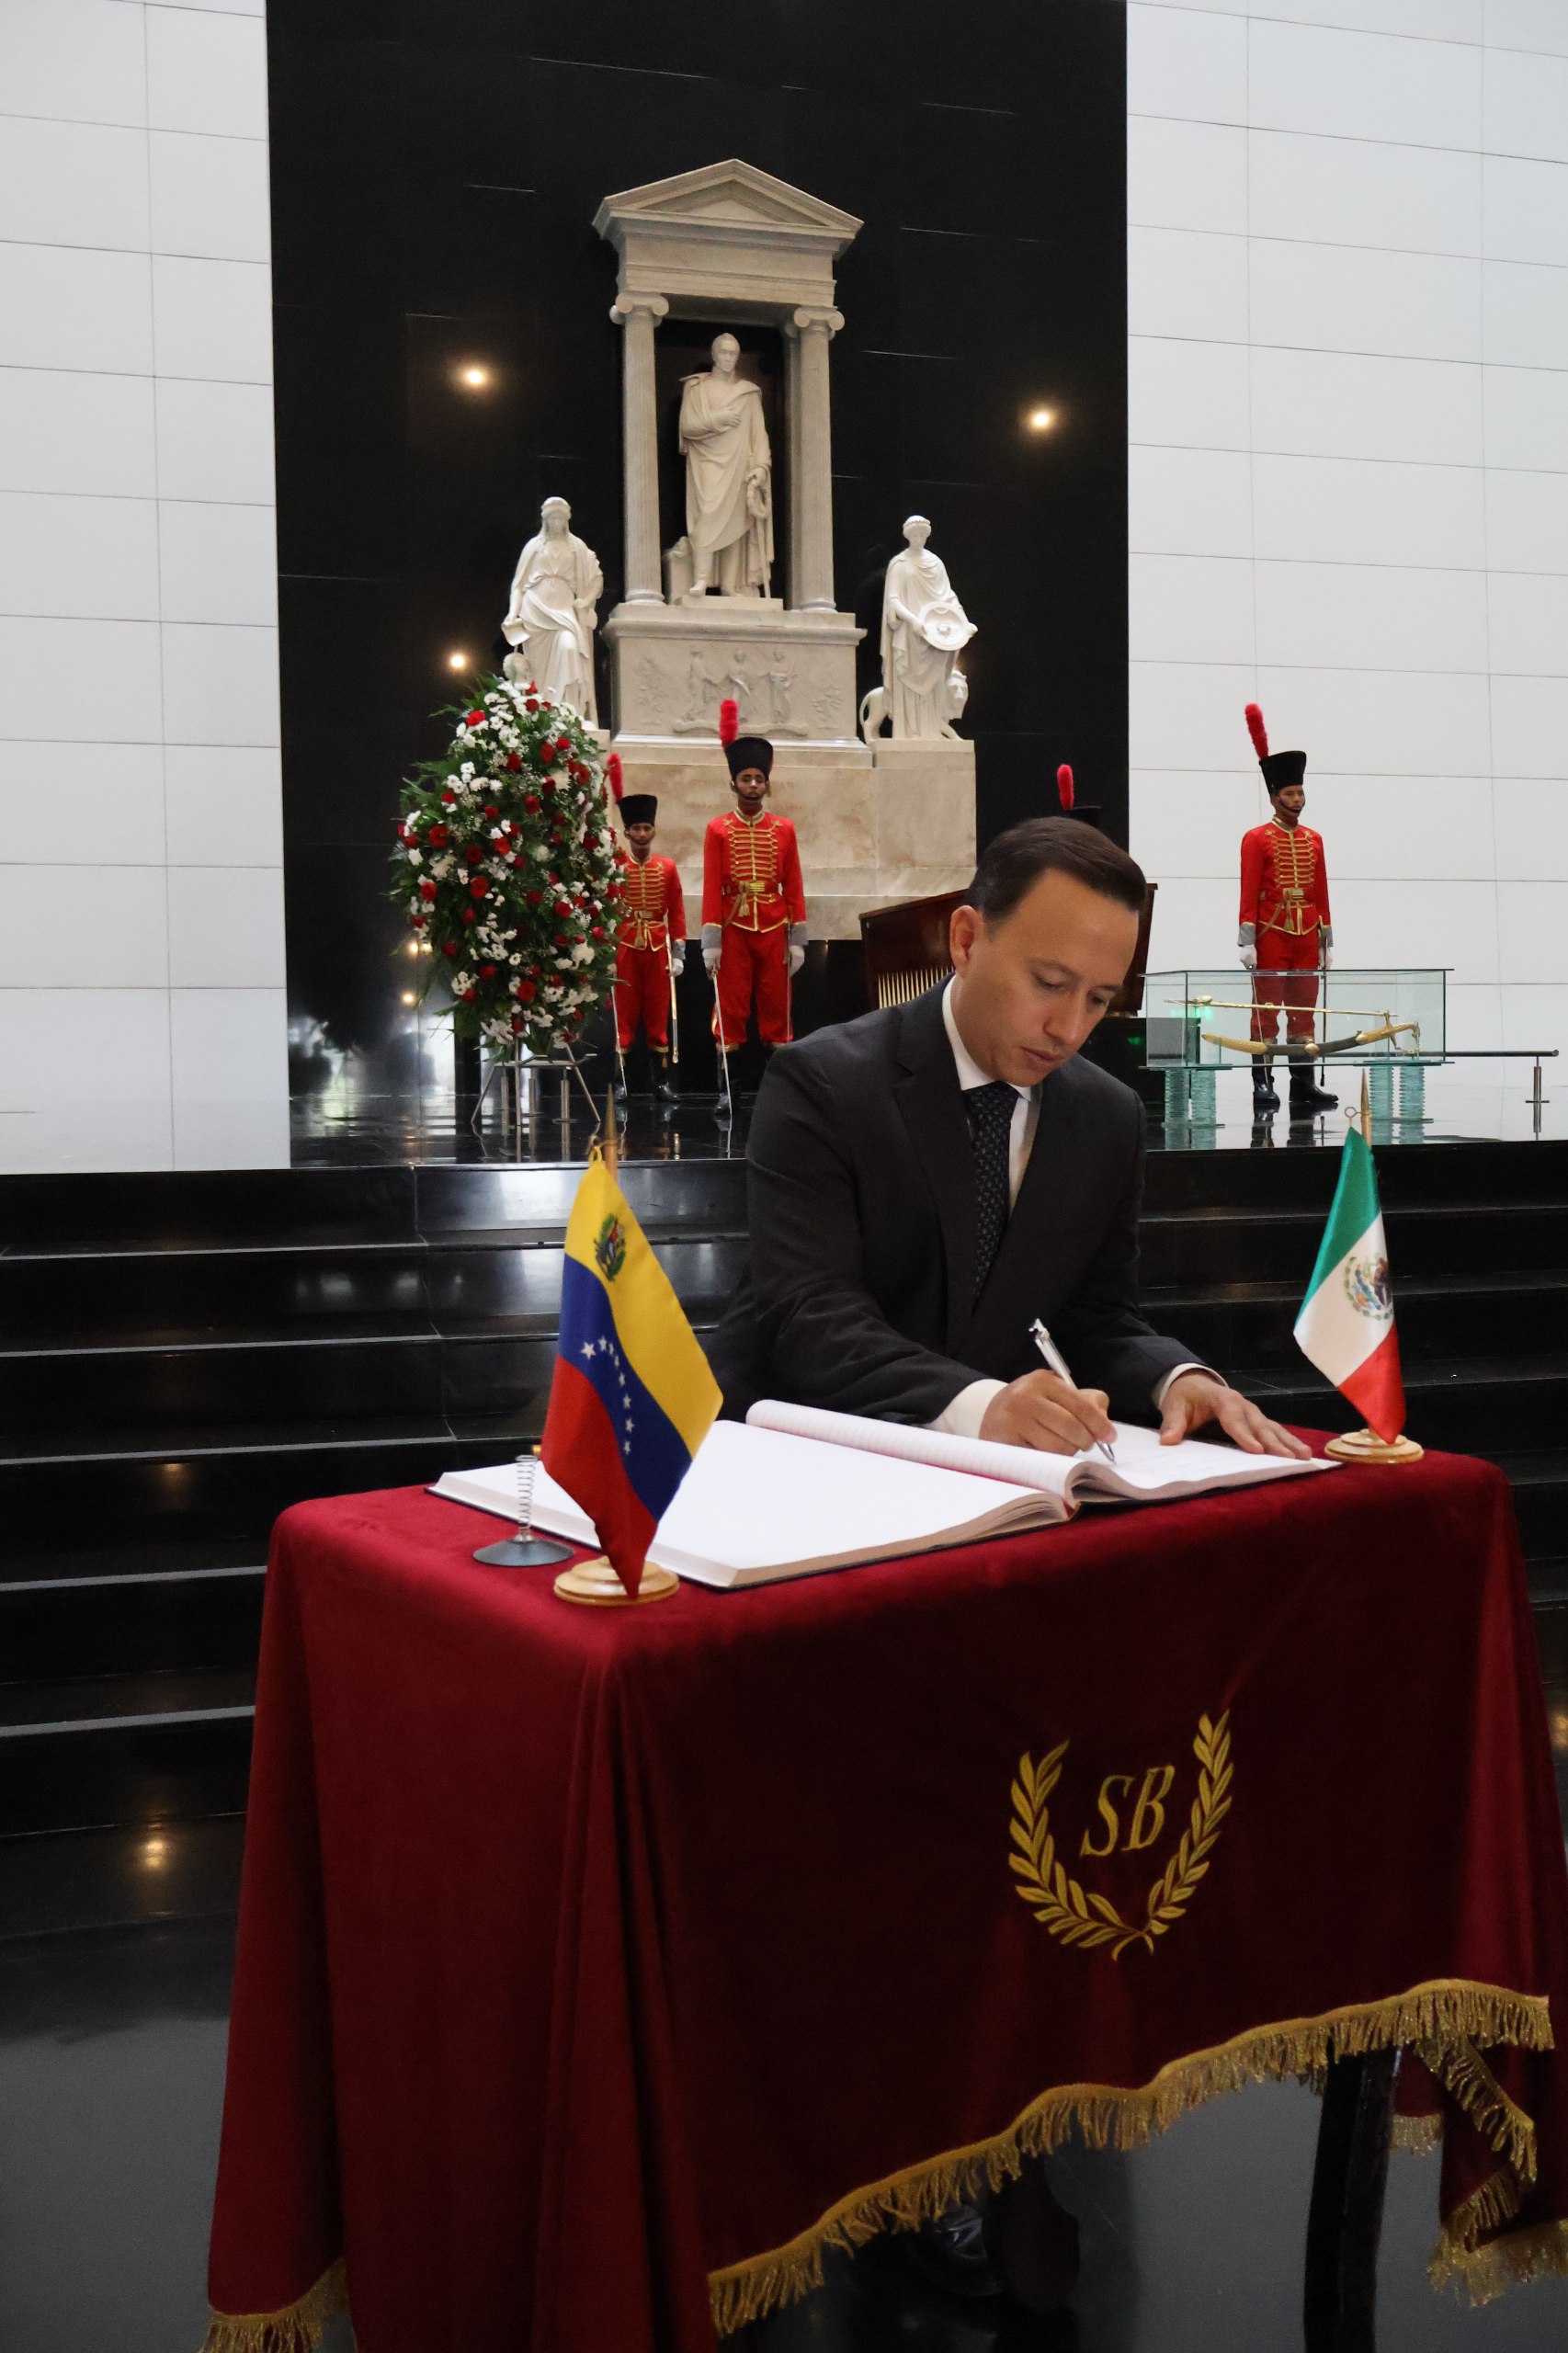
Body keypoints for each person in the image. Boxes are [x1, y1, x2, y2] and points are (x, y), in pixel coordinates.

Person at [711, 814, 1307, 1461]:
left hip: (998, 1476)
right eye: (1049, 984)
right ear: (966, 941)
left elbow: (1095, 1319)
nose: (1069, 1029)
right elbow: (808, 1314)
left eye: (1098, 999)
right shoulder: (825, 1082)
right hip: (797, 1457)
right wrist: (980, 1405)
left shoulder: (1107, 1117)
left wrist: (1175, 1378)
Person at [700, 710, 808, 1097]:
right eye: (746, 778)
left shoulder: (784, 829)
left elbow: (793, 883)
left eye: (759, 779)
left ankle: (776, 1092)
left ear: (766, 784)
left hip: (774, 927)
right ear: (733, 783)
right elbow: (712, 886)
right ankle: (728, 1091)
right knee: (730, 1009)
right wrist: (711, 942)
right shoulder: (717, 829)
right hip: (733, 929)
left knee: (777, 1009)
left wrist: (798, 940)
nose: (753, 785)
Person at [1239, 703, 1336, 1121]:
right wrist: (1246, 940)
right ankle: (1263, 1081)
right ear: (1274, 797)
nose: (1297, 800)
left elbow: (1321, 891)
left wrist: (1326, 940)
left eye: (1300, 793)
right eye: (1290, 794)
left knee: (1303, 1010)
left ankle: (1302, 1083)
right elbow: (1248, 891)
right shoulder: (1256, 839)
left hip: (1306, 934)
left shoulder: (1315, 839)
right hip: (1271, 932)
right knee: (1266, 1010)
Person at [677, 332, 773, 597]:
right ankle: (701, 580)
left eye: (733, 354)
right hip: (707, 463)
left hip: (739, 464)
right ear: (714, 355)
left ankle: (730, 585)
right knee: (707, 515)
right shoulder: (697, 388)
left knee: (737, 522)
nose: (728, 358)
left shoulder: (748, 393)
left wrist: (761, 467)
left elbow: (759, 434)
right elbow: (687, 427)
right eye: (724, 353)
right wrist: (717, 419)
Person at [500, 498, 602, 722]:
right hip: (535, 611)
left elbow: (597, 578)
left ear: (566, 520)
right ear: (545, 520)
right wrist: (512, 612)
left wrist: (585, 601)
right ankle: (542, 719)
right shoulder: (534, 546)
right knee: (538, 670)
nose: (556, 523)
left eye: (560, 518)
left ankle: (569, 715)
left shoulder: (577, 547)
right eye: (552, 518)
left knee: (570, 648)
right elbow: (518, 585)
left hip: (564, 613)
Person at [612, 795, 686, 1105]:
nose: (642, 834)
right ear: (627, 832)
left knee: (658, 1018)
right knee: (624, 1018)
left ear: (653, 831)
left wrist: (679, 954)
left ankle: (661, 1082)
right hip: (626, 946)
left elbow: (677, 912)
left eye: (646, 828)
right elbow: (607, 910)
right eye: (636, 829)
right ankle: (622, 1083)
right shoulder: (615, 867)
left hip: (657, 947)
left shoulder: (667, 867)